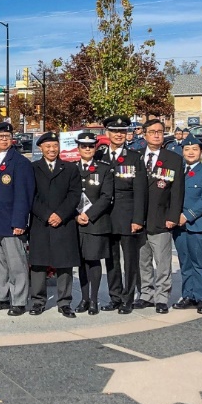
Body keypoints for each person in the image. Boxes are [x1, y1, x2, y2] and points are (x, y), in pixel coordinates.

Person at [28, 131, 82, 317]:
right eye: (48, 146)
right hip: (40, 222)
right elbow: (30, 195)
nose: (52, 149)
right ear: (41, 148)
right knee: (38, 264)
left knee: (64, 263)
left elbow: (75, 195)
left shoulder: (70, 168)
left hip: (64, 222)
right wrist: (46, 214)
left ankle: (64, 302)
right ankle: (37, 301)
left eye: (55, 146)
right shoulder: (32, 168)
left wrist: (60, 214)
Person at [0, 122, 35, 315]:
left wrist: (20, 222)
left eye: (7, 137)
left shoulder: (20, 162)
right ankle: (0, 296)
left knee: (17, 263)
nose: (4, 140)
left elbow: (24, 195)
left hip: (11, 222)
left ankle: (19, 300)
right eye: (0, 137)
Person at [97, 116, 146, 314]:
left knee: (130, 260)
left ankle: (128, 297)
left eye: (122, 132)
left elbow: (140, 191)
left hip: (127, 216)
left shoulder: (134, 157)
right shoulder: (100, 156)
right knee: (111, 259)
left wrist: (137, 219)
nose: (118, 135)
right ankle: (114, 296)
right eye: (115, 131)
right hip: (105, 216)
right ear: (107, 133)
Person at [136, 118, 184, 314]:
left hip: (161, 218)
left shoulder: (173, 158)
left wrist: (173, 216)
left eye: (160, 131)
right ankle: (146, 294)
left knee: (162, 262)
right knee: (142, 260)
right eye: (152, 131)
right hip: (139, 220)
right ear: (144, 135)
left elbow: (177, 191)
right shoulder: (136, 156)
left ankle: (162, 297)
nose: (156, 135)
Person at [172, 135, 202, 314]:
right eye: (187, 149)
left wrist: (187, 215)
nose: (190, 153)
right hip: (179, 226)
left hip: (199, 224)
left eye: (194, 150)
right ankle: (188, 295)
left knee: (200, 262)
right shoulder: (178, 171)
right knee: (185, 262)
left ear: (201, 152)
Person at [73, 132, 113, 315]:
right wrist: (76, 215)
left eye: (90, 146)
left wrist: (88, 214)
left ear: (95, 147)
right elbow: (67, 196)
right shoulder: (71, 168)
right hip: (76, 222)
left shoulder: (104, 169)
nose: (87, 149)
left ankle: (94, 300)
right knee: (80, 262)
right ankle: (84, 299)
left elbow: (106, 197)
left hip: (95, 222)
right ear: (78, 148)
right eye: (83, 146)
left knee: (93, 260)